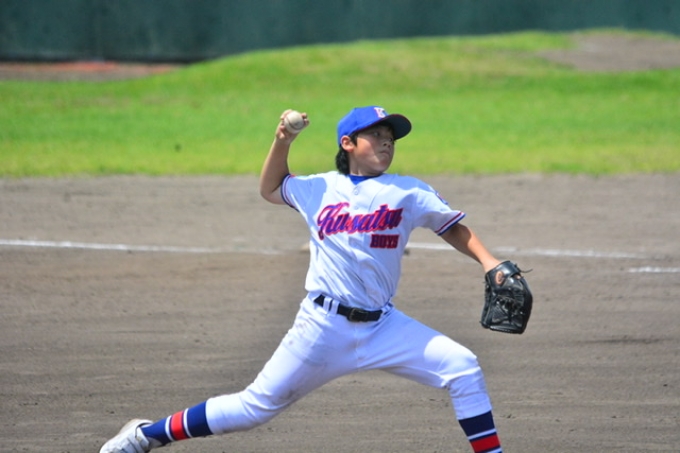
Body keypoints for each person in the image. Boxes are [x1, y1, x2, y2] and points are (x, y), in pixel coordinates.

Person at [100, 106, 505, 453]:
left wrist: (490, 263)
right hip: (322, 326)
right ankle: (144, 436)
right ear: (348, 143)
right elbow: (271, 187)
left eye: (391, 138)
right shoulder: (319, 188)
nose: (386, 143)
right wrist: (283, 140)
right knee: (252, 408)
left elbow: (450, 227)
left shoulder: (408, 191)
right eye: (376, 136)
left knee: (462, 367)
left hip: (383, 326)